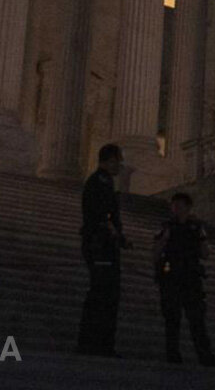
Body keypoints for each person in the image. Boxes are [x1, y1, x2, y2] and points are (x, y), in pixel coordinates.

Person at [76, 143, 131, 356]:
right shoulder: (101, 182)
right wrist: (118, 236)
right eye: (119, 160)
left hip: (99, 242)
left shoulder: (100, 181)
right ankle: (100, 343)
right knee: (105, 294)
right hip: (102, 245)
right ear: (111, 160)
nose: (120, 165)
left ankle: (92, 342)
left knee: (101, 292)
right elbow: (103, 215)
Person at [154, 192, 215, 366]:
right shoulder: (167, 226)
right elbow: (156, 252)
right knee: (172, 318)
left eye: (179, 206)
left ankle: (205, 356)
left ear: (188, 207)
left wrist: (202, 238)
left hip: (191, 278)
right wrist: (164, 240)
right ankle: (173, 354)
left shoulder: (196, 228)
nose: (176, 209)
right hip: (171, 278)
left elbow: (205, 253)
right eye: (174, 205)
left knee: (197, 319)